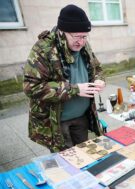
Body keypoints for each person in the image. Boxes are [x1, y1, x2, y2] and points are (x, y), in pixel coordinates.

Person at [23, 4, 105, 152]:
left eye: (84, 36)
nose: (81, 41)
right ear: (62, 32)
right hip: (57, 121)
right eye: (76, 36)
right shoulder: (43, 49)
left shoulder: (84, 45)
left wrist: (99, 79)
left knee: (85, 156)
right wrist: (74, 89)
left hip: (82, 116)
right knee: (66, 163)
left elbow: (97, 68)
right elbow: (31, 87)